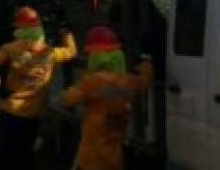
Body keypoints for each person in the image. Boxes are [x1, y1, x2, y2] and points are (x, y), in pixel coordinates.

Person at [0, 6, 78, 169]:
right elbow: (71, 51)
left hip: (10, 112)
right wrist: (66, 31)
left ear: (19, 28)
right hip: (33, 115)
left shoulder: (11, 48)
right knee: (26, 157)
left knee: (7, 159)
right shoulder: (49, 52)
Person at [61, 27, 154, 170]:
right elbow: (145, 80)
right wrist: (146, 64)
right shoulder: (130, 82)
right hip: (114, 161)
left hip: (90, 160)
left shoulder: (92, 82)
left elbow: (67, 99)